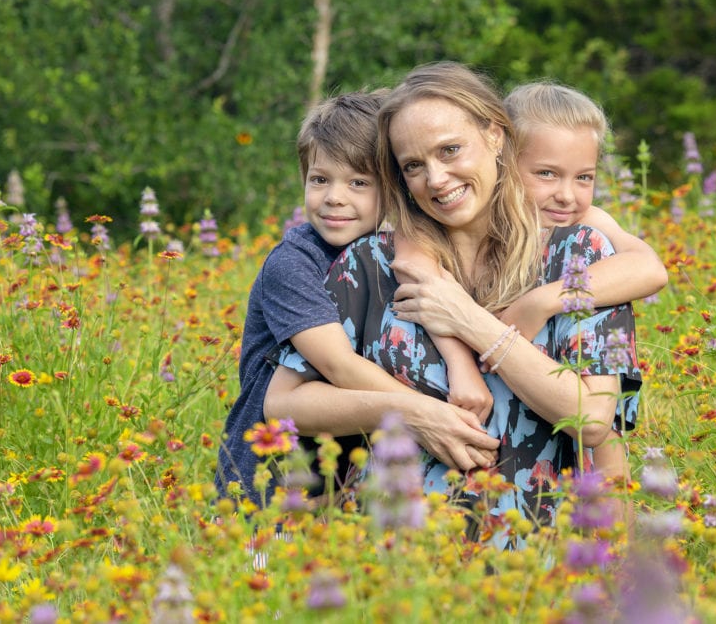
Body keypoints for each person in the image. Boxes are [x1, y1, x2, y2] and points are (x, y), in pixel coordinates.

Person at [265, 62, 634, 536]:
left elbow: (593, 422)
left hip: (532, 572)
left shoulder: (583, 256)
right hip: (389, 567)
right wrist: (413, 415)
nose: (436, 179)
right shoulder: (369, 263)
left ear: (496, 136)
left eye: (450, 150)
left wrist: (470, 321)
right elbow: (284, 405)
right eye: (413, 166)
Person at [214, 90, 496, 508]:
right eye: (319, 179)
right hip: (266, 481)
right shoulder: (294, 263)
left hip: (339, 482)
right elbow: (337, 364)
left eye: (358, 183)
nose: (334, 197)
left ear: (394, 189)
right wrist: (430, 415)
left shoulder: (394, 251)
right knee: (260, 571)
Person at [501, 82, 668, 480]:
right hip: (511, 400)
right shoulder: (488, 221)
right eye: (546, 174)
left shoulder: (585, 222)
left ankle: (615, 534)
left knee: (603, 438)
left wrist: (539, 302)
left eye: (584, 177)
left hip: (578, 385)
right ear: (503, 163)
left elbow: (650, 269)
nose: (567, 195)